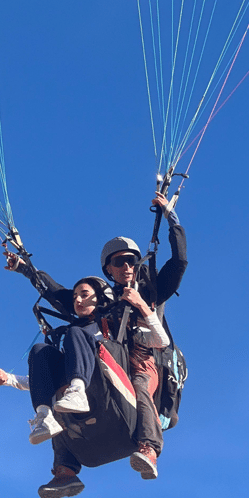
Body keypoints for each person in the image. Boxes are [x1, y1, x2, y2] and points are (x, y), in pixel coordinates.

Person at [0, 277, 169, 498]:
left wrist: (141, 305)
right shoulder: (72, 338)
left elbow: (160, 342)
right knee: (40, 351)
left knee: (77, 336)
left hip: (114, 379)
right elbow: (43, 381)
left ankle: (148, 447)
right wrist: (9, 379)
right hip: (83, 387)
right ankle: (54, 443)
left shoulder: (117, 325)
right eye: (75, 296)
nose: (77, 300)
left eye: (84, 295)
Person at [99, 191, 188, 479]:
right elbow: (65, 298)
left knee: (139, 385)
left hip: (145, 360)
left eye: (131, 261)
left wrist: (170, 217)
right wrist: (27, 270)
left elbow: (180, 261)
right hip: (114, 358)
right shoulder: (104, 301)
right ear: (108, 269)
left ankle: (149, 447)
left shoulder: (153, 291)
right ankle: (67, 466)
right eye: (119, 262)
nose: (127, 266)